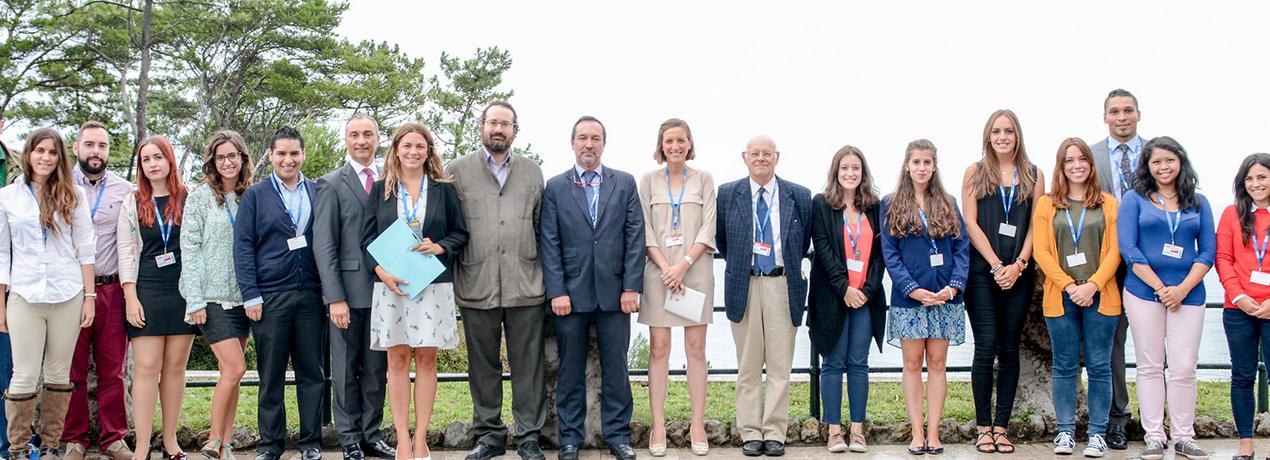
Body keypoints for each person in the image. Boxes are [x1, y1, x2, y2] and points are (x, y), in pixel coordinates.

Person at [445, 101, 548, 460]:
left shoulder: (534, 172)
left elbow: (540, 227)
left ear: (515, 131)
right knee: (482, 365)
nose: (498, 130)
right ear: (482, 127)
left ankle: (529, 435)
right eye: (493, 123)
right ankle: (489, 434)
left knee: (528, 365)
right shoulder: (456, 171)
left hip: (526, 283)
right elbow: (449, 227)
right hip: (477, 282)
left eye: (506, 124)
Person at [539, 116, 644, 460]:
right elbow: (549, 242)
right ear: (572, 143)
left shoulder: (625, 183)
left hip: (616, 294)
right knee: (570, 369)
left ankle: (618, 435)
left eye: (595, 138)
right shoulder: (555, 187)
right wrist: (557, 291)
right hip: (570, 293)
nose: (589, 144)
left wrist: (631, 286)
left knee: (617, 367)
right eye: (582, 138)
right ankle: (570, 437)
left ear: (603, 143)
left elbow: (634, 237)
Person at [363, 122, 467, 460]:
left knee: (426, 358)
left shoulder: (443, 189)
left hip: (432, 287)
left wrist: (439, 247)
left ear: (428, 151)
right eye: (406, 145)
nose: (413, 151)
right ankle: (402, 440)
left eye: (419, 146)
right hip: (391, 286)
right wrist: (380, 271)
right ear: (395, 149)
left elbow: (460, 233)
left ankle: (421, 438)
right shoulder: (380, 190)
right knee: (396, 359)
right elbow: (365, 241)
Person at [0, 128, 96, 460]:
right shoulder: (7, 197)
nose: (45, 157)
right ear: (28, 155)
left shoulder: (75, 196)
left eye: (52, 153)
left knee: (58, 372)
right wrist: (1, 303)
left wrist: (90, 297)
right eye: (39, 151)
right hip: (24, 295)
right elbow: (2, 254)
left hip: (67, 294)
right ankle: (18, 449)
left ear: (60, 158)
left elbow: (86, 250)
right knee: (23, 372)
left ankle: (52, 447)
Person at [1118, 136, 1215, 460]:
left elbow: (1208, 251)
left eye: (1169, 160)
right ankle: (1155, 437)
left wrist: (1182, 289)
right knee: (1149, 365)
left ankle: (1184, 437)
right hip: (1144, 292)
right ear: (1147, 166)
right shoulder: (1135, 199)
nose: (1163, 167)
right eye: (1156, 161)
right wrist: (1161, 289)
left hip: (1188, 295)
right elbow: (1128, 249)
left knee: (1185, 366)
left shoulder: (1198, 202)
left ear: (1180, 162)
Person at [716, 135, 811, 458]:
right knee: (748, 365)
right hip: (745, 283)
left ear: (777, 157)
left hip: (782, 285)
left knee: (780, 366)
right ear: (744, 157)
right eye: (754, 153)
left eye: (766, 153)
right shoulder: (729, 194)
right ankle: (750, 432)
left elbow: (804, 237)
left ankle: (774, 431)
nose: (760, 158)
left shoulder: (799, 195)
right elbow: (722, 241)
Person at [233, 127, 325, 460]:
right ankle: (270, 444)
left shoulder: (317, 191)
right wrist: (251, 294)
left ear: (303, 155)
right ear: (270, 155)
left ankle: (311, 443)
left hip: (311, 296)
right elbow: (243, 246)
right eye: (282, 153)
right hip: (270, 297)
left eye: (294, 153)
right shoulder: (255, 195)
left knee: (311, 372)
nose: (288, 159)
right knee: (270, 374)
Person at [959, 109, 1043, 454]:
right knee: (986, 346)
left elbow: (1038, 223)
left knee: (1010, 349)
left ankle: (1002, 427)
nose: (1003, 137)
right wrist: (996, 265)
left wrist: (1020, 264)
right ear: (988, 136)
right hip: (982, 274)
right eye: (997, 131)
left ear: (1017, 135)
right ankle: (982, 427)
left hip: (1019, 275)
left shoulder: (1034, 174)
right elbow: (970, 223)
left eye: (1009, 131)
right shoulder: (975, 173)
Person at [1032, 138, 1121, 458]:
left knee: (1099, 367)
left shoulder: (1108, 203)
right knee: (1065, 366)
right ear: (1061, 166)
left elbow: (1115, 250)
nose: (1076, 165)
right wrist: (1070, 286)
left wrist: (1093, 285)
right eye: (1069, 160)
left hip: (1101, 294)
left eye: (1082, 159)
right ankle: (1065, 432)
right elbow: (1041, 252)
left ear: (1090, 164)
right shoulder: (1047, 204)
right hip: (1061, 296)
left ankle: (1097, 434)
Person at [879, 139, 969, 456]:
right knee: (913, 363)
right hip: (910, 300)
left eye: (927, 162)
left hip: (945, 298)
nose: (921, 168)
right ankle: (916, 433)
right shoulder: (890, 203)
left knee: (938, 363)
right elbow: (890, 254)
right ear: (907, 165)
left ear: (934, 166)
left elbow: (961, 248)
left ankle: (934, 433)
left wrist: (954, 286)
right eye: (916, 162)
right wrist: (911, 289)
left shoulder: (948, 201)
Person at [313, 114, 395, 460]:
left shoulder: (390, 180)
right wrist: (335, 298)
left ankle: (371, 435)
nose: (361, 140)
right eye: (354, 135)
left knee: (377, 370)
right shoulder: (331, 183)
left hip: (387, 291)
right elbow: (324, 244)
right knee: (345, 369)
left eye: (368, 134)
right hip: (347, 291)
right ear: (345, 140)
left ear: (378, 139)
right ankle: (348, 438)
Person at [636, 118, 716, 457]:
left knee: (696, 349)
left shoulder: (704, 179)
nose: (675, 146)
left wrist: (683, 265)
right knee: (660, 348)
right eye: (669, 141)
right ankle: (658, 425)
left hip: (694, 271)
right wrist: (667, 268)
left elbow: (708, 227)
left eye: (681, 140)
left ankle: (697, 424)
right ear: (661, 144)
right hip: (658, 272)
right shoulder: (647, 180)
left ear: (689, 142)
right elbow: (644, 230)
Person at [116, 136, 197, 460]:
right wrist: (130, 297)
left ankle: (171, 442)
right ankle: (141, 446)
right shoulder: (132, 201)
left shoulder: (188, 197)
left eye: (157, 158)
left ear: (169, 161)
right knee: (147, 367)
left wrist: (197, 296)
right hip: (146, 289)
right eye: (145, 159)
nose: (151, 164)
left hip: (181, 293)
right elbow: (125, 251)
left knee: (176, 368)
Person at [180, 131, 254, 460]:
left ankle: (225, 445)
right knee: (236, 368)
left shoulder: (251, 195)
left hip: (245, 298)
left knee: (231, 374)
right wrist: (194, 300)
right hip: (212, 299)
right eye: (220, 157)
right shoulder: (198, 198)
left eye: (233, 156)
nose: (227, 162)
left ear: (242, 158)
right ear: (212, 161)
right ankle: (212, 438)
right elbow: (190, 250)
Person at [808, 145, 885, 454]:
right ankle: (834, 432)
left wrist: (866, 290)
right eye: (845, 168)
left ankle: (857, 431)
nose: (850, 173)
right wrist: (845, 289)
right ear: (836, 172)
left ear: (863, 172)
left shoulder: (875, 207)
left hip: (866, 298)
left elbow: (881, 254)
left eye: (856, 168)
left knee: (858, 363)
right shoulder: (822, 205)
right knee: (832, 362)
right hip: (834, 297)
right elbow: (823, 250)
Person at [64, 122, 134, 460]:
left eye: (102, 146)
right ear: (76, 148)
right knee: (73, 369)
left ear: (108, 151)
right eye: (89, 144)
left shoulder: (125, 190)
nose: (96, 151)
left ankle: (113, 438)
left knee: (112, 370)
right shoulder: (60, 185)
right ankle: (74, 439)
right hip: (70, 291)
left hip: (111, 289)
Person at [1089, 89, 1145, 450]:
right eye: (1114, 111)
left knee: (1159, 346)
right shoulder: (1089, 156)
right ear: (1105, 116)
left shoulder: (1159, 152)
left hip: (1152, 262)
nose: (1121, 117)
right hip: (1107, 262)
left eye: (1128, 110)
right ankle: (1116, 419)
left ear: (1139, 114)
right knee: (1112, 345)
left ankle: (1161, 420)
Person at [1215, 153, 1270, 460]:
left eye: (1262, 177)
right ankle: (1246, 444)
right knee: (1242, 376)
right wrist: (1240, 297)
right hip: (1239, 309)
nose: (1255, 184)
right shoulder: (1231, 214)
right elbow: (1223, 259)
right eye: (1249, 178)